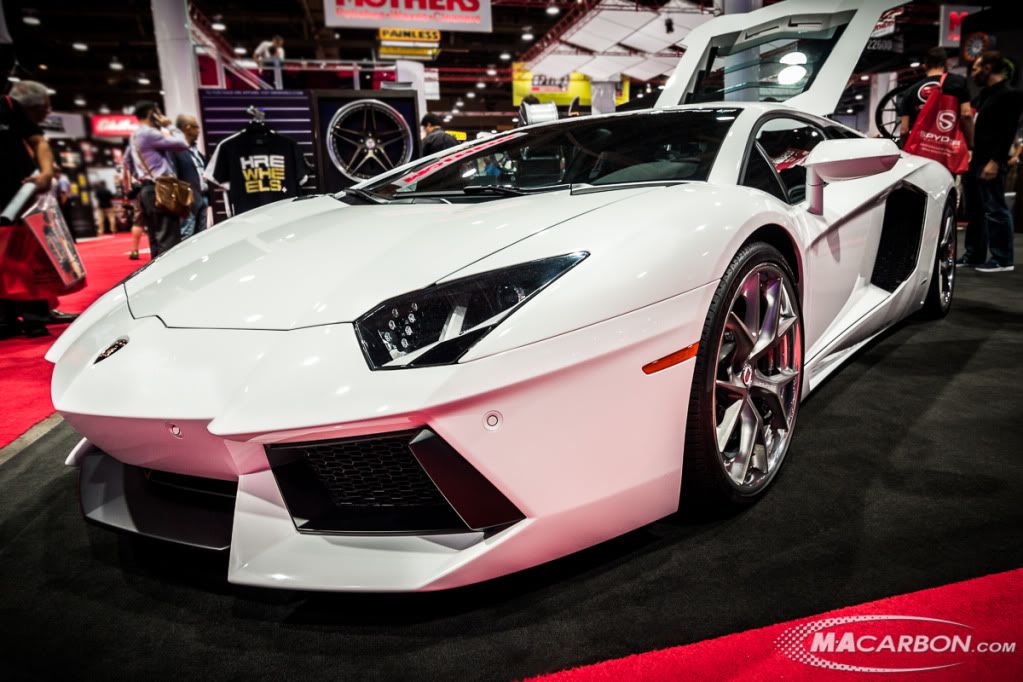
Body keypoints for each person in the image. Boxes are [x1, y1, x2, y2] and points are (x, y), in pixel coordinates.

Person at [0, 79, 57, 339]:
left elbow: (39, 141)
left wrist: (46, 172)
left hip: (20, 193)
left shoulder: (8, 106)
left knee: (27, 256)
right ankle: (5, 320)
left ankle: (35, 317)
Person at [958, 51, 1023, 273]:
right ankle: (974, 254)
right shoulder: (985, 94)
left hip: (991, 161)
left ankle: (1003, 259)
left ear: (988, 68)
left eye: (976, 68)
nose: (973, 73)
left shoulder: (1010, 95)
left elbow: (1008, 132)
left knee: (995, 209)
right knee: (975, 210)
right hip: (976, 159)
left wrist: (996, 161)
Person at [124, 100, 189, 259]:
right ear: (151, 113)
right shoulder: (148, 133)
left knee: (156, 238)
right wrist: (170, 126)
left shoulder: (134, 136)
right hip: (159, 189)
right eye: (158, 112)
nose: (160, 116)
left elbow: (127, 162)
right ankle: (172, 276)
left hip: (146, 190)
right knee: (169, 238)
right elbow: (182, 143)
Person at [897, 47, 973, 148]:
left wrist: (906, 151)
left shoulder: (910, 91)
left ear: (925, 66)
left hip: (921, 151)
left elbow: (904, 130)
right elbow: (966, 114)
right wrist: (971, 145)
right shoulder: (958, 82)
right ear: (945, 64)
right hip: (949, 149)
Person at [173, 114, 208, 239]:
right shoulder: (175, 150)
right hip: (187, 201)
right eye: (196, 127)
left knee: (202, 236)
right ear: (187, 128)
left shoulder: (196, 151)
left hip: (202, 197)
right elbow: (174, 177)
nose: (199, 131)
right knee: (186, 237)